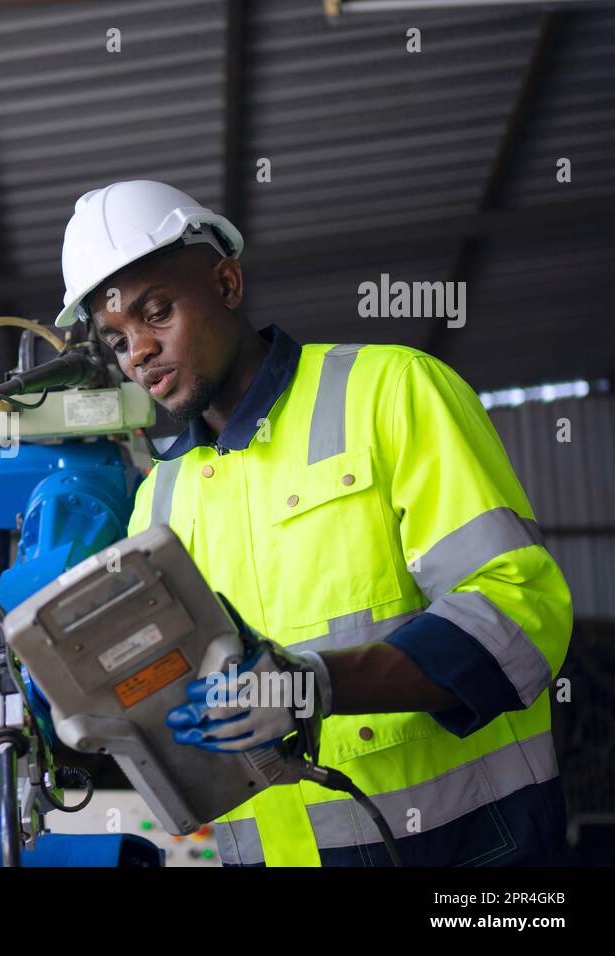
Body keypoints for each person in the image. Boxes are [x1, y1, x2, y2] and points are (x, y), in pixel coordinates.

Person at [55, 180, 572, 866]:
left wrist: (319, 685)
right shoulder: (159, 503)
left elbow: (520, 613)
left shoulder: (390, 391)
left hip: (465, 848)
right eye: (117, 339)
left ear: (228, 283)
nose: (139, 353)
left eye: (157, 312)